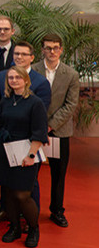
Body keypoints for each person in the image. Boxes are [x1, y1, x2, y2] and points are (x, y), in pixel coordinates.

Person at [0, 67, 48, 248]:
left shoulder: (35, 103)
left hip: (26, 152)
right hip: (4, 152)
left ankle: (33, 228)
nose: (14, 80)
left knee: (22, 195)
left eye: (18, 77)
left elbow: (40, 132)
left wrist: (31, 155)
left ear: (26, 80)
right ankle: (14, 227)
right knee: (8, 194)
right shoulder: (5, 101)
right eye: (10, 77)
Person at [33, 33, 80, 228]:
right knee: (31, 172)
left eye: (55, 48)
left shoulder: (71, 74)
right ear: (42, 50)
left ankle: (57, 210)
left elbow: (71, 104)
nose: (51, 51)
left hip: (59, 132)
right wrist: (40, 125)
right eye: (47, 48)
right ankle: (28, 209)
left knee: (58, 174)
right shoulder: (32, 70)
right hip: (34, 131)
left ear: (61, 50)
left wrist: (51, 124)